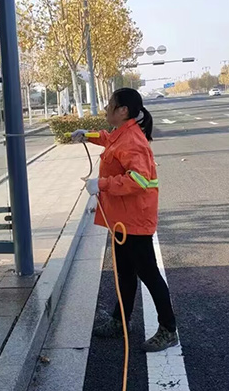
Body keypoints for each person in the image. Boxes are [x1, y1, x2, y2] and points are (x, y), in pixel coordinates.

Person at [71, 87, 178, 352]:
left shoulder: (133, 140)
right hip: (122, 220)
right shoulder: (122, 133)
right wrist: (88, 135)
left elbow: (139, 180)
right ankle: (120, 321)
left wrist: (102, 184)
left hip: (135, 221)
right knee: (125, 274)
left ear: (123, 111)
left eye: (110, 104)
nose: (106, 108)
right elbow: (109, 140)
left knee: (149, 275)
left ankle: (168, 330)